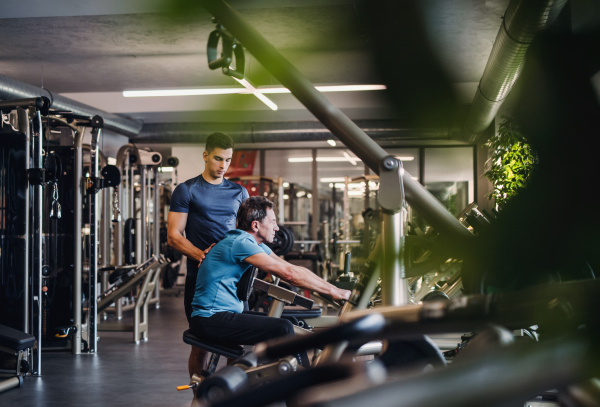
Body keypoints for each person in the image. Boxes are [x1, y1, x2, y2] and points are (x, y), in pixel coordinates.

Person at [189, 196, 351, 367]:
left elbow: (289, 267)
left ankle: (303, 374)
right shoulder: (240, 243)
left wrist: (333, 289)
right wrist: (335, 292)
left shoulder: (252, 243)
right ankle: (297, 385)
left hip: (224, 315)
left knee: (292, 323)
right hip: (211, 320)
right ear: (256, 225)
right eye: (272, 221)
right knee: (282, 329)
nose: (276, 227)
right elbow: (289, 275)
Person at [167, 132, 248, 377]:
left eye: (227, 160)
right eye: (217, 159)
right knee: (201, 345)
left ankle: (232, 396)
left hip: (234, 282)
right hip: (200, 280)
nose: (223, 165)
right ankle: (199, 399)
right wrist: (204, 256)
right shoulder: (187, 190)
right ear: (205, 156)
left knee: (235, 347)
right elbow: (174, 235)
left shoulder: (239, 192)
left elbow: (246, 236)